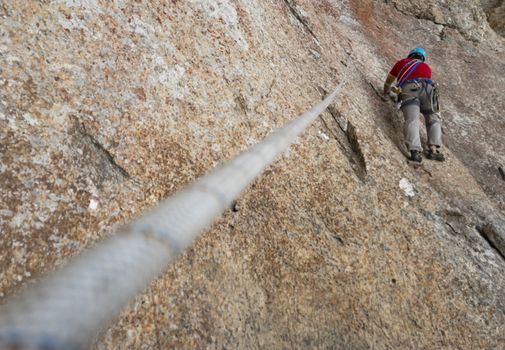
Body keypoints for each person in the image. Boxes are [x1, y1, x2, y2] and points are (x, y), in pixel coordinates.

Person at [383, 47, 444, 162]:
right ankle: (433, 149)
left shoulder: (402, 63)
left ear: (410, 55)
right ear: (422, 58)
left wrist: (385, 92)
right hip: (429, 89)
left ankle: (415, 151)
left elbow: (389, 80)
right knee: (434, 118)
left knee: (412, 119)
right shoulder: (426, 67)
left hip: (410, 88)